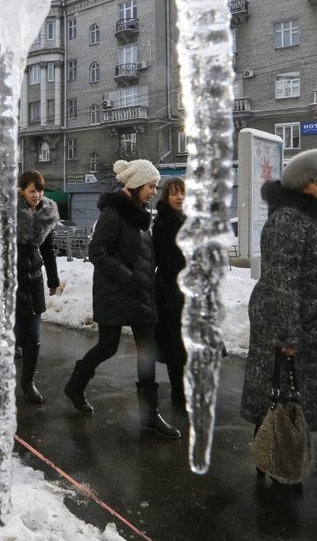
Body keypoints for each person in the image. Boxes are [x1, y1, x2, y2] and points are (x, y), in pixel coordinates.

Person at [240, 149, 317, 481]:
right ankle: (270, 454)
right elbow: (282, 282)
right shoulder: (289, 219)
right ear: (301, 183)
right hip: (287, 319)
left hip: (316, 321)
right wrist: (287, 335)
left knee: (292, 394)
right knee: (279, 393)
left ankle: (276, 454)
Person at [64, 159, 180, 439]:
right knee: (108, 346)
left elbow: (141, 254)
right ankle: (76, 384)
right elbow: (97, 251)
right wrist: (128, 276)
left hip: (140, 293)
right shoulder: (114, 213)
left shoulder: (139, 214)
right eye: (151, 186)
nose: (155, 191)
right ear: (137, 184)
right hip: (115, 293)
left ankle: (150, 417)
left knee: (147, 352)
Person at [10, 170, 60, 404]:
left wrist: (53, 279)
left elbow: (48, 249)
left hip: (34, 280)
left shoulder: (46, 215)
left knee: (34, 337)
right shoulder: (8, 213)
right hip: (12, 281)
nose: (37, 195)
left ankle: (27, 382)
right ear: (21, 191)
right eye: (32, 190)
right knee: (16, 334)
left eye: (40, 190)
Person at [152, 177, 188, 410]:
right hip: (171, 290)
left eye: (182, 193)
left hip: (187, 289)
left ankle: (187, 387)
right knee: (175, 342)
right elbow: (165, 258)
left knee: (187, 341)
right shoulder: (164, 222)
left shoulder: (185, 219)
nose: (179, 197)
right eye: (174, 193)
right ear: (166, 196)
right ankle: (178, 392)